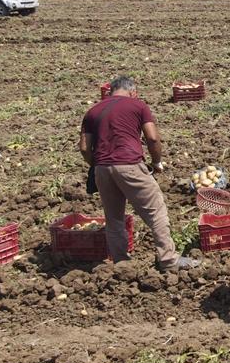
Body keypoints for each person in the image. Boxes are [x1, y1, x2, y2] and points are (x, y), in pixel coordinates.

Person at [78, 76, 197, 272]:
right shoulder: (138, 105)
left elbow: (84, 147)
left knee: (114, 218)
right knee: (156, 211)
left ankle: (121, 262)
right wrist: (156, 162)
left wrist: (97, 165)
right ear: (133, 92)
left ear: (110, 92)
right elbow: (152, 138)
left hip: (102, 169)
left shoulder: (93, 111)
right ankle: (168, 260)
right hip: (130, 164)